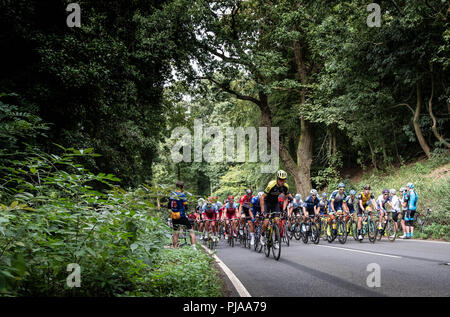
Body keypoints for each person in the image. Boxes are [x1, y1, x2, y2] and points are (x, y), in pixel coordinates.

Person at [260, 170, 292, 247]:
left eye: (284, 180)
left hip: (275, 203)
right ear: (277, 179)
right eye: (280, 180)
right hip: (266, 202)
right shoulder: (271, 184)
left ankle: (276, 241)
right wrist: (263, 210)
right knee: (266, 222)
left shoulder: (285, 187)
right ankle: (262, 235)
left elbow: (286, 198)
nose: (282, 181)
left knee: (277, 221)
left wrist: (284, 209)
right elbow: (262, 197)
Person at [168, 181, 196, 249]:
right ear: (182, 187)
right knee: (191, 230)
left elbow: (168, 206)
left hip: (174, 216)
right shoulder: (182, 195)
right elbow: (186, 206)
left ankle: (175, 248)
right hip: (181, 215)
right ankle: (193, 247)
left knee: (175, 232)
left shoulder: (172, 194)